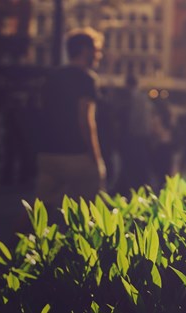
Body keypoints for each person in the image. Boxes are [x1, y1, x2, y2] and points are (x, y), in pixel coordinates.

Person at [35, 28, 105, 207]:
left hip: (47, 154)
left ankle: (17, 235)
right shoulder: (87, 79)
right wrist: (96, 159)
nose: (99, 55)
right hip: (75, 156)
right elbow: (86, 121)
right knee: (89, 208)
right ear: (85, 51)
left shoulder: (51, 77)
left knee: (38, 210)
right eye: (96, 50)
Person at [114, 74, 154, 193]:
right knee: (140, 166)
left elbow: (129, 119)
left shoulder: (130, 98)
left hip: (132, 137)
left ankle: (130, 190)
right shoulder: (144, 98)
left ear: (127, 84)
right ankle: (141, 189)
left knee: (130, 166)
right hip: (142, 137)